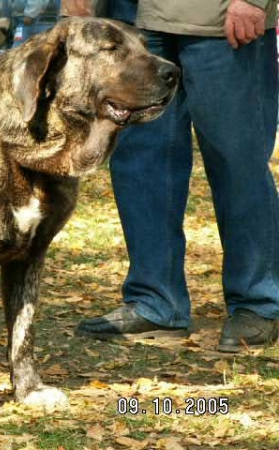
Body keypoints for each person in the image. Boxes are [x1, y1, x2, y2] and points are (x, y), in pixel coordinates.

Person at [65, 0, 279, 352]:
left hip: (220, 16)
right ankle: (155, 302)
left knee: (237, 162)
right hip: (131, 18)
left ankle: (259, 302)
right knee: (139, 164)